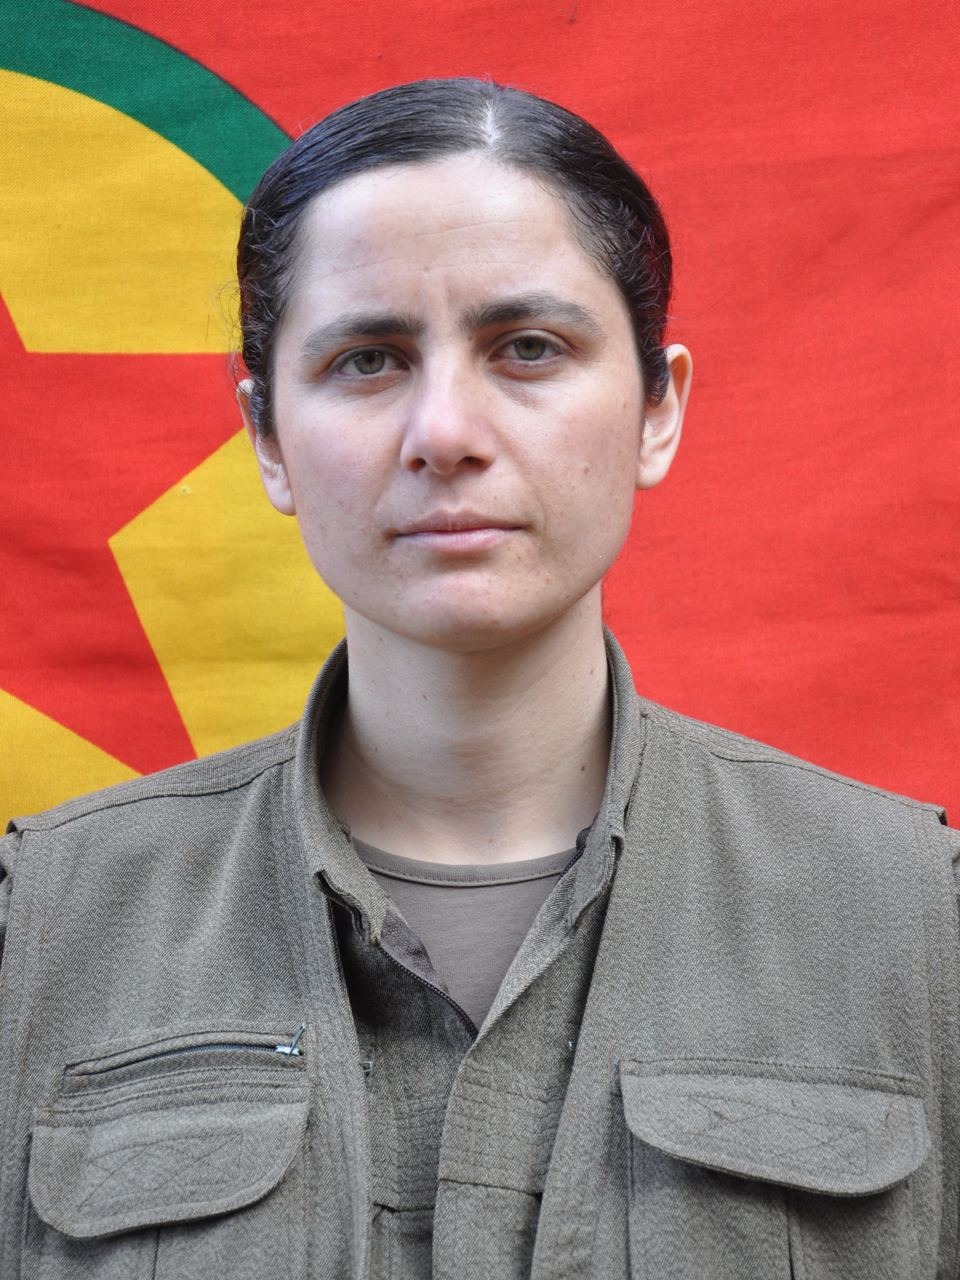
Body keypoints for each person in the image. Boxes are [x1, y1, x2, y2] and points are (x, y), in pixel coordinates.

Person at [0, 77, 957, 1280]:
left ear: (658, 408)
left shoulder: (917, 924)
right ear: (267, 438)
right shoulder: (41, 933)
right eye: (368, 359)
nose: (445, 431)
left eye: (529, 348)